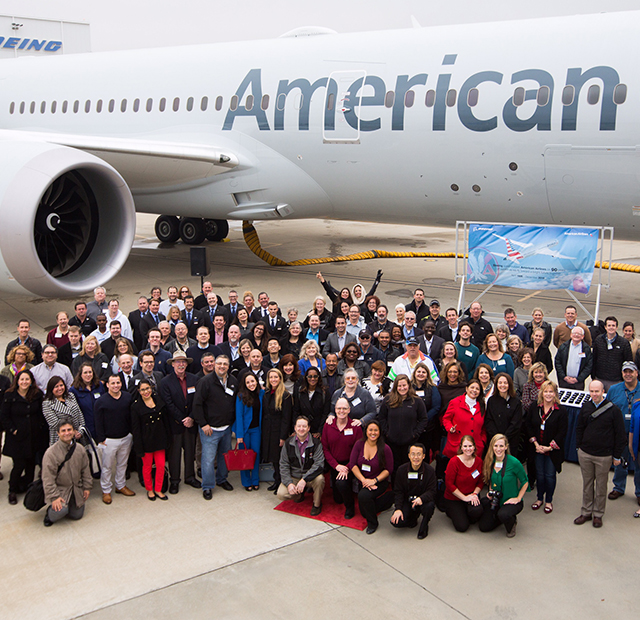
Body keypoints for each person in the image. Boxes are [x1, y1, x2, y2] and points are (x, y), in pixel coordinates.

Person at [574, 380, 626, 527]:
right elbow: (579, 428)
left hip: (604, 456)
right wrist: (579, 448)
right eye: (591, 391)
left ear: (603, 391)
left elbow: (620, 435)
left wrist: (616, 456)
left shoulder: (614, 410)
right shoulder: (586, 407)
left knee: (601, 486)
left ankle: (598, 514)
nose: (594, 394)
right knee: (587, 484)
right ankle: (586, 512)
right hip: (586, 453)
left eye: (597, 391)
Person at [193, 355, 237, 499]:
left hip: (226, 428)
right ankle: (207, 486)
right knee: (208, 460)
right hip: (210, 429)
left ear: (228, 366)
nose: (222, 366)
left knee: (224, 457)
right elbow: (197, 405)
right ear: (215, 365)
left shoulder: (233, 381)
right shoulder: (205, 382)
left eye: (225, 364)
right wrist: (203, 424)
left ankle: (222, 479)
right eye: (219, 364)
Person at [1, 369, 47, 505]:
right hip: (17, 437)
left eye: (27, 379)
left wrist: (40, 428)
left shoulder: (37, 394)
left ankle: (27, 486)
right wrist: (12, 430)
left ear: (31, 381)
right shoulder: (9, 395)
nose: (24, 382)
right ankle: (12, 490)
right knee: (19, 465)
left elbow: (41, 413)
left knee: (31, 464)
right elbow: (4, 416)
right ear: (17, 381)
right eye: (22, 379)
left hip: (33, 436)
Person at [160, 350, 200, 494]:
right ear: (173, 364)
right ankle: (174, 480)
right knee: (174, 454)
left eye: (183, 362)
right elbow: (168, 404)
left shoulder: (194, 379)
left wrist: (191, 417)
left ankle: (190, 477)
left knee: (190, 452)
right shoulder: (165, 382)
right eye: (178, 362)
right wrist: (182, 419)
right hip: (175, 424)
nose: (181, 364)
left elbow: (198, 401)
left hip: (191, 423)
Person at [525, 380, 567, 514]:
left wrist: (549, 447)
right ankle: (539, 499)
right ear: (541, 393)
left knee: (549, 476)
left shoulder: (561, 410)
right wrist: (536, 444)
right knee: (540, 475)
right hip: (537, 449)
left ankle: (548, 500)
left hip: (552, 451)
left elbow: (562, 431)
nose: (548, 394)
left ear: (555, 394)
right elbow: (528, 425)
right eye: (545, 391)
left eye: (551, 391)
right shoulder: (534, 407)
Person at [41, 417, 93, 527]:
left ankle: (69, 505)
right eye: (63, 431)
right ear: (58, 433)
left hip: (75, 488)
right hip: (60, 489)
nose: (67, 433)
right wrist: (54, 497)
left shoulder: (79, 449)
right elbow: (47, 478)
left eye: (69, 430)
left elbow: (85, 470)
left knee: (77, 515)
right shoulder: (51, 453)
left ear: (74, 431)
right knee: (61, 511)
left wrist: (87, 487)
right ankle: (50, 514)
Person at [94, 374, 135, 504]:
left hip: (126, 437)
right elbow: (98, 422)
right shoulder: (101, 401)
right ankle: (106, 490)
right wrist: (101, 439)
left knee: (123, 463)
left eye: (118, 382)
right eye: (112, 383)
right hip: (109, 440)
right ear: (107, 385)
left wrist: (131, 434)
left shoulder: (127, 397)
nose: (115, 385)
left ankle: (120, 485)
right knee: (107, 466)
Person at [349, 419, 394, 534]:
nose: (372, 433)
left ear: (379, 432)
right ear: (366, 431)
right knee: (365, 506)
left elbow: (389, 470)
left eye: (375, 430)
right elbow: (352, 464)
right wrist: (364, 480)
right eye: (370, 430)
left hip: (379, 482)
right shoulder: (359, 444)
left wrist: (374, 480)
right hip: (362, 481)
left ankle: (373, 523)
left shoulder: (385, 448)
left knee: (363, 496)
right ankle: (388, 499)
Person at [479, 434, 528, 537]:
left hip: (510, 500)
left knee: (504, 514)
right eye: (496, 446)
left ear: (506, 447)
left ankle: (512, 522)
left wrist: (518, 498)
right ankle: (500, 517)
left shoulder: (514, 462)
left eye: (501, 446)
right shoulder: (490, 462)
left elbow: (525, 482)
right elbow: (492, 480)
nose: (498, 449)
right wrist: (491, 491)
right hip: (497, 500)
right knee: (484, 527)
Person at [378, 375, 427, 477]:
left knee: (409, 468)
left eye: (404, 385)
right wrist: (387, 432)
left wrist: (415, 434)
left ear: (409, 385)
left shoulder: (417, 401)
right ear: (395, 386)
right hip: (392, 442)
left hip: (410, 442)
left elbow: (423, 419)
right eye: (399, 386)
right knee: (394, 468)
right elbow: (381, 417)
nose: (402, 388)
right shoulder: (388, 400)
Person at [321, 397, 363, 519]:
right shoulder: (328, 425)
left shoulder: (355, 427)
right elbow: (325, 448)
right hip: (335, 464)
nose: (341, 411)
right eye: (339, 408)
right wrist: (336, 466)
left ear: (349, 410)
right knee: (337, 498)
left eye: (344, 408)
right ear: (335, 409)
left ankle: (350, 507)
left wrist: (347, 468)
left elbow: (359, 450)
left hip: (351, 464)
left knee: (342, 483)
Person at [131, 380, 172, 501]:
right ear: (139, 391)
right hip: (146, 441)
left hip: (160, 439)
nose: (146, 392)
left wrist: (168, 438)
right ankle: (150, 490)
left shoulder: (159, 401)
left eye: (147, 388)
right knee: (147, 467)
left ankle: (158, 489)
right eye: (143, 390)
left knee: (160, 465)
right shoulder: (135, 406)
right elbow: (136, 429)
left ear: (151, 388)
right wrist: (138, 446)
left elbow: (165, 421)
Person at [277, 415, 325, 516]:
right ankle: (298, 495)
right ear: (295, 428)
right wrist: (289, 484)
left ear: (308, 428)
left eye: (304, 426)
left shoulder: (316, 443)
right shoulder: (288, 443)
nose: (301, 429)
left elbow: (319, 464)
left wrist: (304, 480)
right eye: (299, 426)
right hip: (294, 476)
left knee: (320, 479)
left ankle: (317, 504)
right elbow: (283, 464)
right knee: (281, 494)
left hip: (310, 477)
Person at [607, 361, 640, 502]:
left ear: (636, 373)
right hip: (619, 434)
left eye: (631, 371)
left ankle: (639, 492)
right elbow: (607, 411)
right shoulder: (614, 389)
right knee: (619, 461)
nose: (628, 374)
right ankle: (618, 488)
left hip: (638, 435)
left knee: (639, 464)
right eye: (625, 371)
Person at [390, 442, 437, 539]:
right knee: (397, 522)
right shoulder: (401, 470)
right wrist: (398, 508)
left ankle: (424, 526)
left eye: (419, 454)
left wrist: (422, 498)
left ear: (424, 456)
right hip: (408, 500)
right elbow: (398, 491)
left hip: (422, 501)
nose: (416, 457)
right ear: (409, 456)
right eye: (413, 454)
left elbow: (432, 491)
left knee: (429, 505)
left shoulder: (430, 471)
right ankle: (412, 518)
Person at [262, 368, 294, 492]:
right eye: (271, 377)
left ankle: (281, 482)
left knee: (279, 459)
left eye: (276, 377)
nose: (273, 379)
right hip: (267, 430)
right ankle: (276, 480)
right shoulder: (266, 393)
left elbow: (287, 418)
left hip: (278, 431)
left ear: (280, 379)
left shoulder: (285, 396)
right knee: (273, 458)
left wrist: (282, 437)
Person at [444, 435, 484, 532]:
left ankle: (464, 512)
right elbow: (449, 484)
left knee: (477, 512)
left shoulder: (479, 461)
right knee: (462, 527)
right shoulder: (454, 462)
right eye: (465, 446)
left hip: (471, 495)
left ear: (474, 447)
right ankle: (452, 511)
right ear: (461, 447)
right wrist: (464, 498)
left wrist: (474, 494)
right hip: (455, 498)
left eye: (470, 446)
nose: (468, 449)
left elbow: (481, 481)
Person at [442, 379, 486, 461]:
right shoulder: (455, 402)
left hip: (476, 447)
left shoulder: (482, 406)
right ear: (466, 388)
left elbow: (484, 427)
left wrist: (482, 441)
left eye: (477, 389)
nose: (474, 390)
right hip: (457, 445)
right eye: (472, 387)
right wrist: (450, 428)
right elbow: (446, 419)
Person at [234, 373, 264, 491]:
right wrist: (239, 435)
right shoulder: (241, 396)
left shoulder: (261, 393)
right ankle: (246, 482)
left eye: (252, 381)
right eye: (248, 382)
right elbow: (239, 416)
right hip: (245, 431)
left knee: (256, 455)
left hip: (257, 429)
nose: (251, 384)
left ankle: (255, 480)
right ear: (244, 384)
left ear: (257, 381)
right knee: (244, 456)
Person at [485, 373, 523, 455]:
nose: (503, 385)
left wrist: (504, 438)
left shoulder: (516, 402)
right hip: (494, 442)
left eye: (505, 383)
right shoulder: (491, 401)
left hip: (511, 442)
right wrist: (497, 438)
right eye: (500, 383)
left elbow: (516, 423)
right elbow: (489, 420)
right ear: (496, 385)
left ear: (509, 384)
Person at [592, 316, 633, 391]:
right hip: (599, 378)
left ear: (617, 327)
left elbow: (628, 362)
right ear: (605, 327)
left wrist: (624, 378)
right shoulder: (598, 340)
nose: (611, 328)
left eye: (613, 325)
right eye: (609, 325)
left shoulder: (624, 343)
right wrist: (593, 376)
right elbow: (594, 358)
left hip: (616, 381)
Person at [42, 376, 85, 446]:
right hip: (60, 438)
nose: (59, 388)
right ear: (51, 389)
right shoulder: (47, 403)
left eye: (61, 385)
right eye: (56, 386)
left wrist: (80, 431)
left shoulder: (70, 396)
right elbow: (54, 423)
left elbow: (80, 415)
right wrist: (71, 431)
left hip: (78, 438)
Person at [411, 362, 441, 459]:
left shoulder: (432, 388)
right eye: (419, 371)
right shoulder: (409, 388)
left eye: (424, 372)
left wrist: (423, 419)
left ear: (427, 374)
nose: (421, 374)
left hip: (427, 427)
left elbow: (436, 407)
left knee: (425, 451)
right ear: (415, 373)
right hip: (411, 426)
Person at [293, 367, 331, 436]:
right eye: (310, 376)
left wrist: (320, 431)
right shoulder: (300, 392)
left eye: (315, 376)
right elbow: (296, 411)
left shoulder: (324, 392)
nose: (312, 379)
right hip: (303, 429)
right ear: (306, 377)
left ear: (319, 377)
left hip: (317, 430)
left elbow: (325, 413)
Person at [69, 363, 104, 439]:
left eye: (90, 372)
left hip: (100, 426)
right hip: (85, 427)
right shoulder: (74, 390)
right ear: (80, 374)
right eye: (85, 372)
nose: (88, 375)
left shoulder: (99, 385)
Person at [554, 326, 592, 390]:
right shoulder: (563, 346)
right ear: (571, 335)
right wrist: (564, 377)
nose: (576, 335)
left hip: (578, 383)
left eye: (579, 334)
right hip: (564, 381)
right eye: (574, 333)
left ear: (582, 337)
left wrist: (579, 379)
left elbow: (589, 365)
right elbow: (557, 362)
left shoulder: (586, 349)